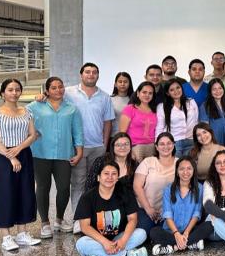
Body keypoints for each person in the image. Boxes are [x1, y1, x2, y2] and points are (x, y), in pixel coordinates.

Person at [0, 78, 41, 251]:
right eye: (10, 90)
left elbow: (32, 135)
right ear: (3, 93)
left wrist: (19, 149)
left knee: (25, 192)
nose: (14, 93)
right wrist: (11, 156)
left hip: (24, 154)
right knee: (5, 193)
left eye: (17, 89)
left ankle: (22, 233)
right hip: (4, 157)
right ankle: (6, 236)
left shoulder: (26, 112)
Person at [28, 76, 83, 238]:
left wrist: (79, 151)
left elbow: (77, 132)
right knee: (43, 187)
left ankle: (59, 219)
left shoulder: (71, 109)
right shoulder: (34, 107)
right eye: (54, 87)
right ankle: (45, 223)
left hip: (64, 154)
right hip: (40, 153)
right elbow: (22, 120)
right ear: (47, 90)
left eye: (61, 87)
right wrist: (30, 133)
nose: (58, 90)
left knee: (64, 187)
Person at [66, 62, 115, 234]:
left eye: (94, 72)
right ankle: (79, 220)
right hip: (78, 147)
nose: (91, 75)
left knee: (95, 183)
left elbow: (107, 122)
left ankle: (93, 218)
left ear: (98, 76)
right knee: (78, 183)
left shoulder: (104, 97)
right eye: (87, 72)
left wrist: (104, 143)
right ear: (81, 74)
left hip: (97, 147)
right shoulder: (68, 93)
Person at [74, 161, 148, 256]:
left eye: (114, 174)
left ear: (117, 178)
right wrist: (105, 243)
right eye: (106, 173)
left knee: (141, 233)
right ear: (98, 177)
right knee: (81, 244)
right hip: (97, 240)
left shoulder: (126, 193)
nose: (110, 177)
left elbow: (133, 219)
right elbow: (85, 227)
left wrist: (123, 240)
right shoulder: (87, 197)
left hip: (118, 238)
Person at [150, 157, 213, 255]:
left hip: (190, 231)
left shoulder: (199, 188)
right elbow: (167, 215)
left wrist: (186, 233)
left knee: (209, 225)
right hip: (171, 231)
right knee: (154, 232)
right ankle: (190, 244)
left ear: (193, 171)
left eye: (189, 168)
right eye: (182, 169)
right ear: (177, 171)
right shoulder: (168, 189)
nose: (185, 172)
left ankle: (173, 247)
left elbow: (196, 214)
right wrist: (176, 234)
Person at [132, 132, 177, 234]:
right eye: (162, 144)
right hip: (145, 208)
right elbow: (137, 186)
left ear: (174, 145)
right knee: (144, 231)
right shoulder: (148, 161)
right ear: (156, 147)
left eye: (169, 143)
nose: (166, 146)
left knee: (165, 231)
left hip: (168, 211)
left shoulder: (179, 163)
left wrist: (167, 212)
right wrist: (148, 209)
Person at [156, 79, 199, 157]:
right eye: (172, 90)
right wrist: (158, 145)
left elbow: (196, 122)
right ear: (167, 93)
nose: (176, 91)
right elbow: (160, 127)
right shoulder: (162, 107)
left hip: (191, 141)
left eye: (178, 88)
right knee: (175, 167)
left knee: (190, 167)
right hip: (173, 143)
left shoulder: (191, 102)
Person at [119, 81, 158, 162]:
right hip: (135, 147)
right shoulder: (130, 108)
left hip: (152, 148)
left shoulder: (155, 111)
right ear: (138, 93)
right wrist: (128, 151)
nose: (147, 95)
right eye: (144, 92)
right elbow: (122, 133)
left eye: (150, 93)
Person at [205, 78, 225, 156]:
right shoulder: (205, 106)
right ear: (210, 92)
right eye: (214, 89)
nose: (218, 91)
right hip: (214, 143)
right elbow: (204, 129)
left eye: (220, 88)